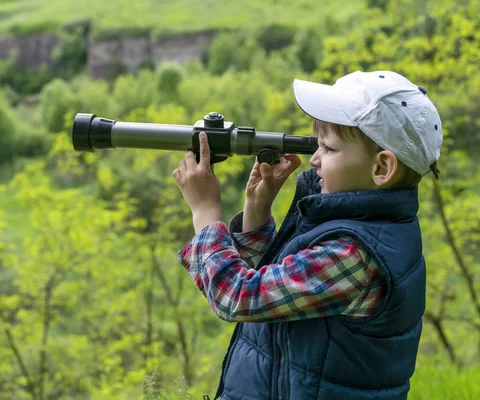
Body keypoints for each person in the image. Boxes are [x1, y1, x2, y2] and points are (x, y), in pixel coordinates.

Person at [172, 70, 443, 400]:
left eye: (328, 149)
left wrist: (204, 211)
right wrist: (257, 211)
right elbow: (279, 286)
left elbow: (238, 296)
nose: (313, 159)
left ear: (382, 168)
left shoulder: (354, 255)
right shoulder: (361, 224)